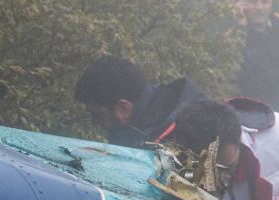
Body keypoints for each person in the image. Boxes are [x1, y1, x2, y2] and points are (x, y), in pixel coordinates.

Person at [74, 55, 210, 147]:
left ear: (124, 108)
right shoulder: (157, 100)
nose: (94, 122)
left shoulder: (164, 147)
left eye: (97, 114)